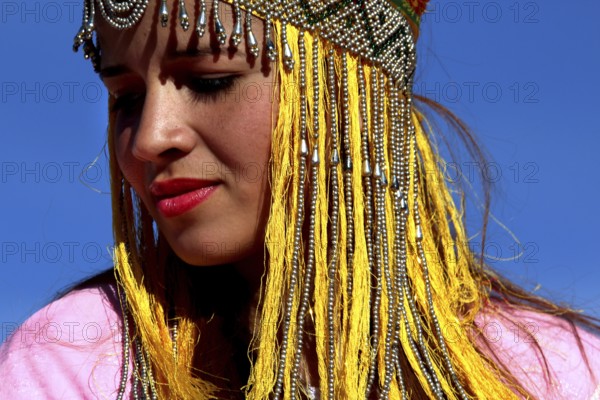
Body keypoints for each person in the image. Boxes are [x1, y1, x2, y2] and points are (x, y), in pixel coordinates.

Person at [1, 0, 599, 398]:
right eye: (125, 97)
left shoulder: (559, 373)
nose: (153, 137)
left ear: (350, 94)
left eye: (210, 81)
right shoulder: (78, 361)